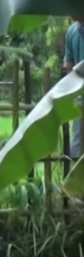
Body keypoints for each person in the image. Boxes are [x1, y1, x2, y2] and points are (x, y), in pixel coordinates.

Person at [64, 16, 84, 158]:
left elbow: (68, 66)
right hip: (79, 97)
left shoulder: (71, 31)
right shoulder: (71, 32)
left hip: (79, 95)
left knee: (78, 143)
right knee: (77, 145)